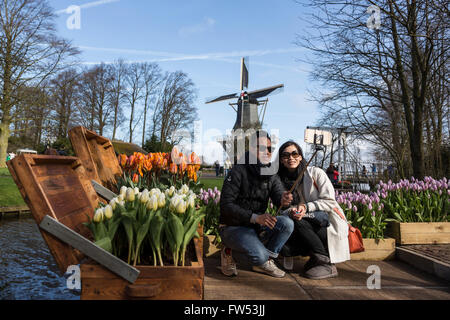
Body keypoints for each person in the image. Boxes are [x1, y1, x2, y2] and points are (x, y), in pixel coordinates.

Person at [219, 130, 294, 278]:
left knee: (287, 223)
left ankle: (266, 261)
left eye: (270, 149)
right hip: (233, 227)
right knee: (258, 255)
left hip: (256, 227)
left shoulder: (271, 173)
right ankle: (230, 251)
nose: (267, 152)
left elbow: (279, 196)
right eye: (262, 148)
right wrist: (255, 217)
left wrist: (284, 200)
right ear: (252, 149)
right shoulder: (238, 170)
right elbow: (226, 205)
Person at [275, 141, 350, 280]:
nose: (290, 158)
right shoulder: (279, 181)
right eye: (285, 155)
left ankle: (325, 261)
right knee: (285, 242)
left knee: (300, 220)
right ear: (281, 160)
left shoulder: (315, 173)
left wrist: (306, 207)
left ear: (301, 157)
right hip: (303, 226)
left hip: (326, 226)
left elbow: (330, 201)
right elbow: (281, 211)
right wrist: (289, 209)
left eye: (294, 154)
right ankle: (314, 257)